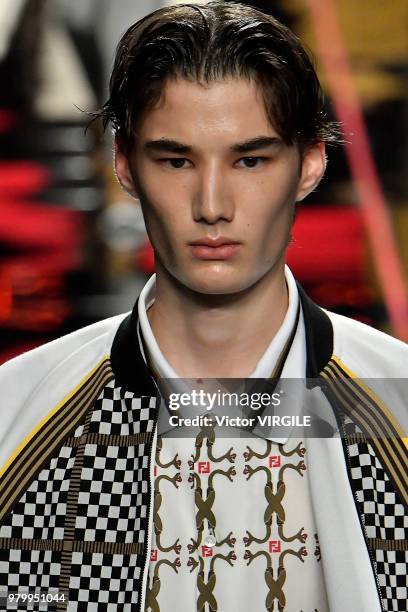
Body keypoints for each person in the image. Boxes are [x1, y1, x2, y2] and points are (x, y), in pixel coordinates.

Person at [0, 2, 406, 611]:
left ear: (311, 163)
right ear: (124, 165)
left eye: (250, 159)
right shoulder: (14, 416)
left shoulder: (397, 408)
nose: (211, 205)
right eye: (176, 160)